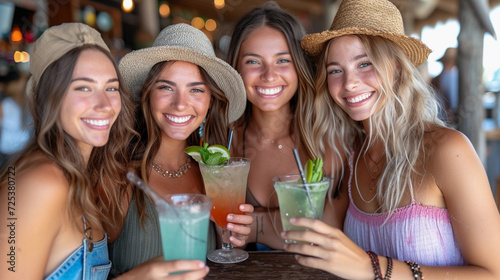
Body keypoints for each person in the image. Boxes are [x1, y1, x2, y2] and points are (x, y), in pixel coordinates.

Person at [282, 0, 500, 279]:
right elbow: (315, 239)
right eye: (335, 70)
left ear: (398, 68)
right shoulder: (350, 154)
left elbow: (493, 273)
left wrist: (370, 268)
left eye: (365, 64)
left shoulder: (448, 149)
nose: (349, 83)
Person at [108, 23, 253, 278]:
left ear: (210, 101)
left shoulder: (216, 176)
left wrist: (230, 235)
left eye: (195, 89)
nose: (180, 104)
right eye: (166, 87)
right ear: (147, 93)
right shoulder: (118, 171)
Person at [0, 23, 137, 279]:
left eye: (111, 87)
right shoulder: (42, 182)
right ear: (50, 98)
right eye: (83, 87)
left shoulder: (82, 175)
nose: (105, 105)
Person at [225, 1, 345, 250]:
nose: (269, 75)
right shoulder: (223, 140)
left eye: (282, 61)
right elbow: (223, 233)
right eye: (253, 62)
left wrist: (255, 226)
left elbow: (328, 234)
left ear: (300, 66)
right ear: (235, 68)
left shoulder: (327, 139)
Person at [431, 47, 459, 124]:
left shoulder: (436, 78)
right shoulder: (450, 76)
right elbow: (453, 100)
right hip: (446, 118)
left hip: (437, 116)